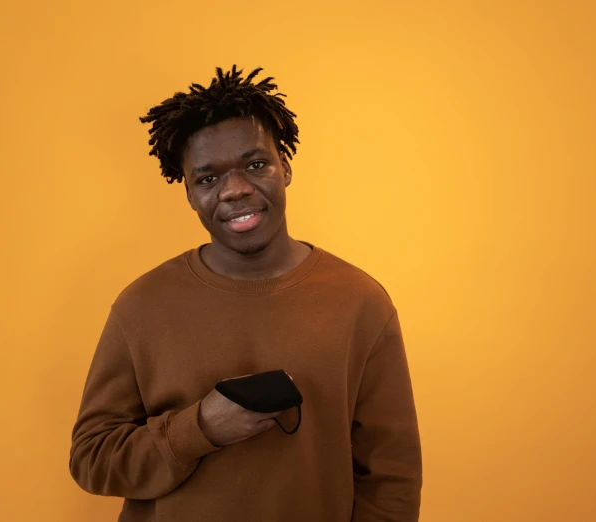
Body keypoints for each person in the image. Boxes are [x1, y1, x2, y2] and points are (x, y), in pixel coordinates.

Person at [69, 65, 422, 521]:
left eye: (255, 165)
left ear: (285, 168)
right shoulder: (141, 305)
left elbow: (391, 479)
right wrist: (200, 429)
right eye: (208, 178)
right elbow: (91, 460)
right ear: (190, 196)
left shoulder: (361, 302)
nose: (235, 190)